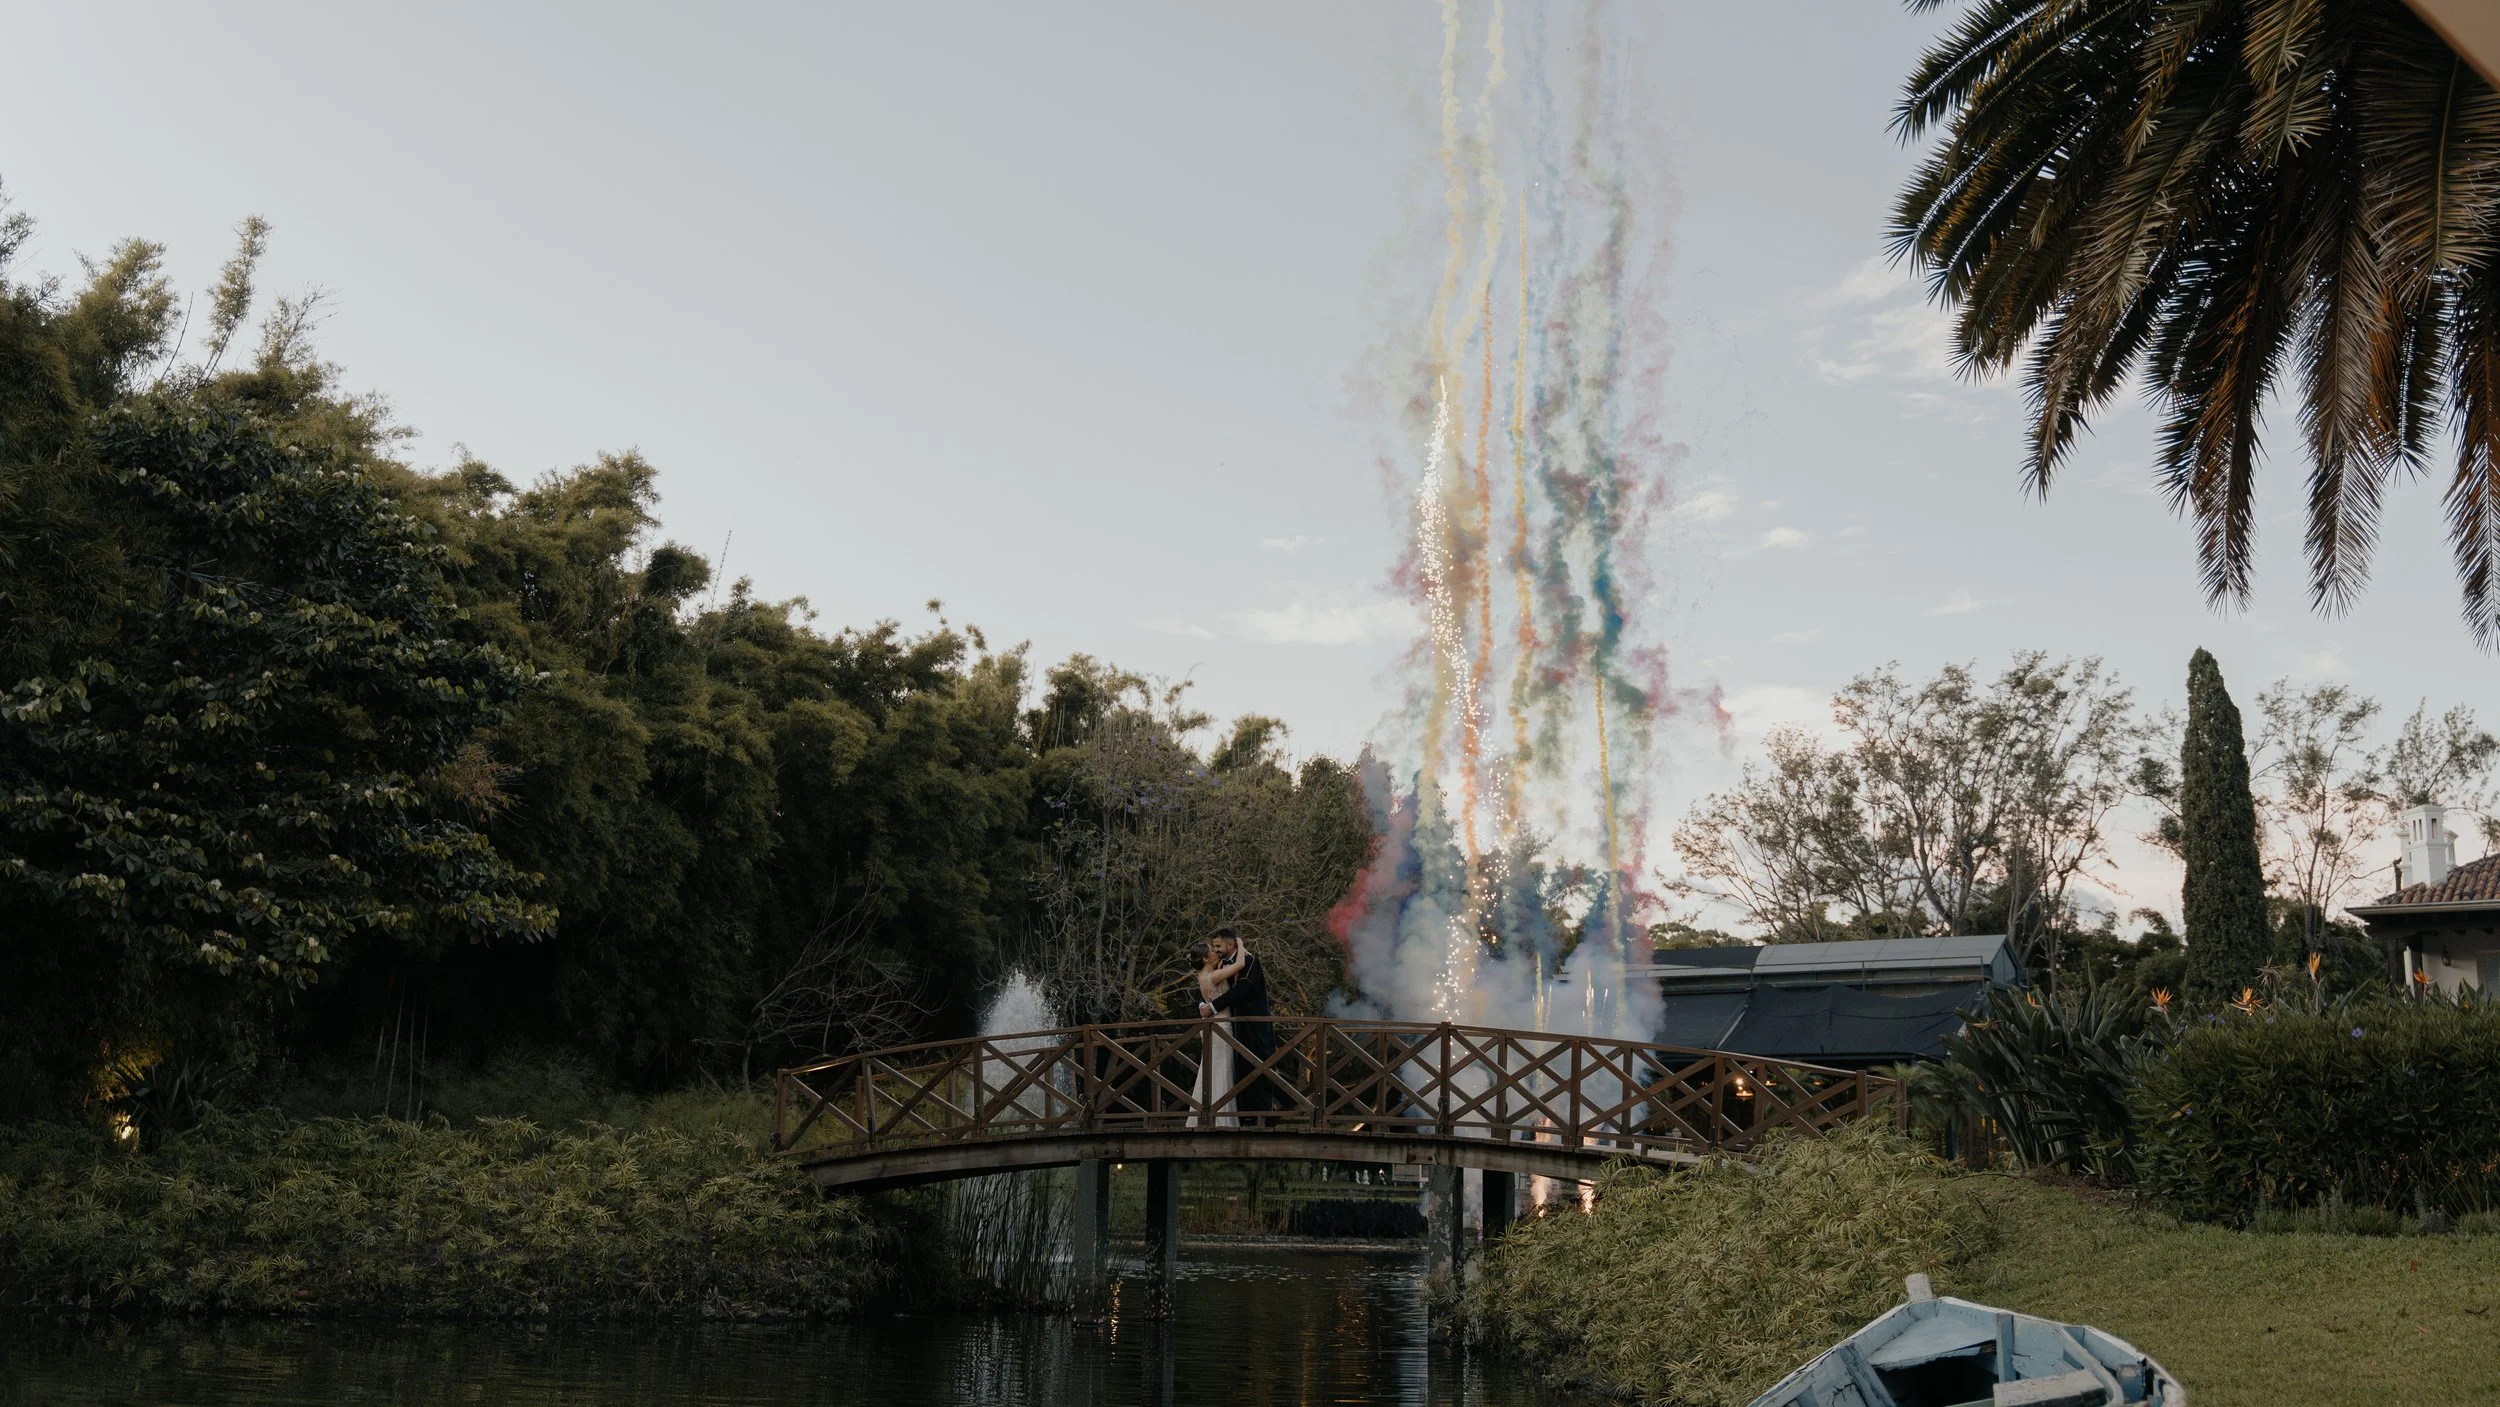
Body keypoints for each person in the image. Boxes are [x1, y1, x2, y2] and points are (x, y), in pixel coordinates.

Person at [1203, 926, 1274, 1121]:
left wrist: (1213, 1006)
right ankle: (1242, 1115)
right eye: (1214, 946)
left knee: (1258, 1065)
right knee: (1238, 1068)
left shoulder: (1250, 961)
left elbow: (1243, 988)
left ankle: (1262, 1116)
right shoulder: (1220, 965)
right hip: (1233, 1026)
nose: (1216, 949)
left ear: (1230, 944)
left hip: (1254, 1023)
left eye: (1218, 946)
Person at [1192, 932, 1248, 1128]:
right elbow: (1240, 965)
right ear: (1206, 958)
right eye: (1212, 950)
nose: (1216, 952)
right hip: (1222, 1027)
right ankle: (1223, 1119)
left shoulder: (1203, 975)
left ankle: (1205, 1116)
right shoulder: (1214, 976)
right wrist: (1239, 944)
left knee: (1210, 1071)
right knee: (1223, 1070)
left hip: (1213, 1027)